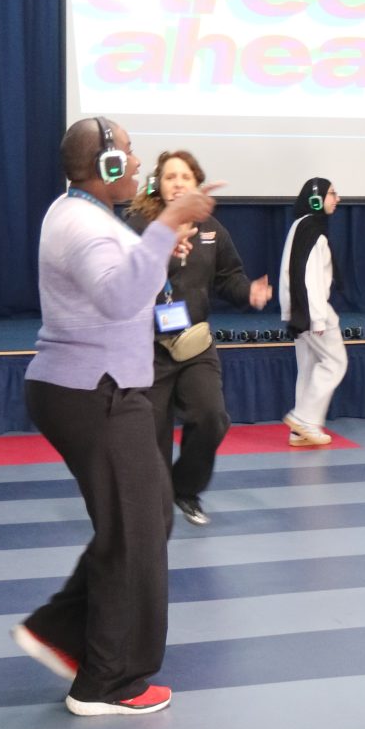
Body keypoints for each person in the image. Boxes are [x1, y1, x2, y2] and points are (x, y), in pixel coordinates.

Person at [11, 117, 217, 716]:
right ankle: (107, 683)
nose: (136, 162)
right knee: (137, 531)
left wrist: (158, 248)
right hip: (94, 391)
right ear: (103, 165)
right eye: (127, 152)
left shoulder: (84, 214)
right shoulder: (82, 223)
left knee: (143, 520)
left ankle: (62, 631)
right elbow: (119, 296)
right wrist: (169, 223)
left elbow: (125, 283)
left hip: (97, 388)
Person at [125, 150, 271, 527]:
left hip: (195, 344)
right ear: (157, 184)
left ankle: (185, 489)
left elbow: (229, 277)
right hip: (147, 349)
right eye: (170, 177)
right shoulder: (139, 225)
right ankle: (153, 505)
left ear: (196, 184)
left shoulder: (212, 229)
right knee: (151, 436)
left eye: (185, 177)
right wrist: (165, 246)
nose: (177, 183)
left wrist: (249, 292)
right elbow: (126, 276)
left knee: (211, 418)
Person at [280, 177, 347, 446]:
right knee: (335, 362)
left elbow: (292, 274)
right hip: (312, 312)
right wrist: (317, 318)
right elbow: (310, 278)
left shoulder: (300, 225)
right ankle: (304, 419)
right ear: (316, 199)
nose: (337, 199)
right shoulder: (313, 231)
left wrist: (294, 312)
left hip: (299, 310)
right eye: (332, 193)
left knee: (308, 368)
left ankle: (301, 431)